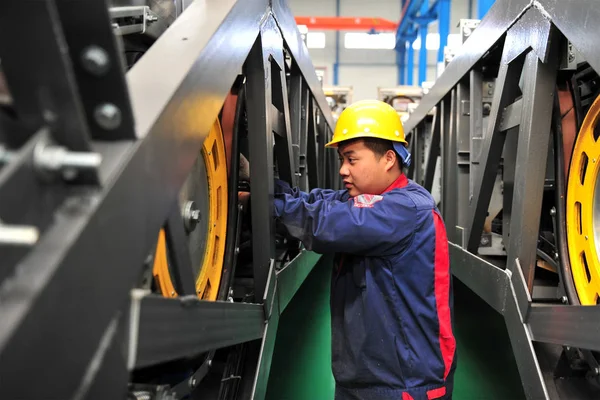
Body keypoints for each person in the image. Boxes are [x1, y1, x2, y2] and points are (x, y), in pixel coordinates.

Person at [273, 100, 457, 400]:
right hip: (363, 379)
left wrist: (266, 206)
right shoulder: (367, 200)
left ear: (387, 158)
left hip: (406, 385)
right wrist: (267, 186)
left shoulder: (408, 208)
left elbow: (325, 224)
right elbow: (317, 203)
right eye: (341, 160)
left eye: (351, 159)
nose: (343, 170)